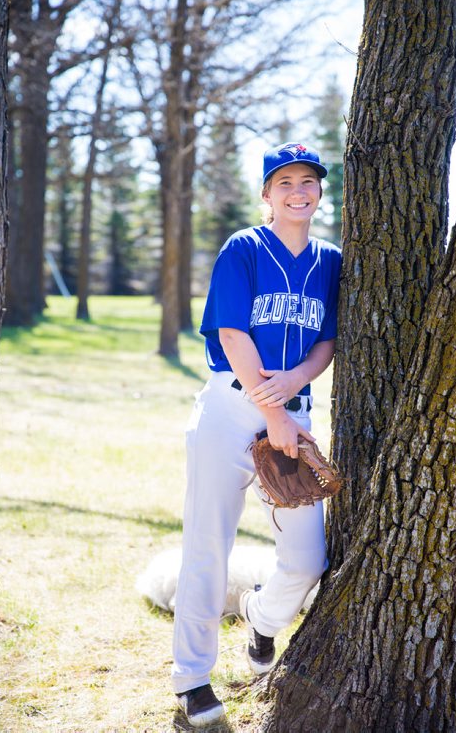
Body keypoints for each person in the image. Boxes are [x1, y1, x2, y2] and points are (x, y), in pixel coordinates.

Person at [172, 142, 342, 728]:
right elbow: (230, 332)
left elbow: (327, 342)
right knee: (208, 546)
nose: (299, 191)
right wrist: (275, 414)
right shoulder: (243, 247)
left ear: (321, 192)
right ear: (267, 194)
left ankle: (262, 618)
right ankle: (192, 679)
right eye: (285, 181)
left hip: (295, 413)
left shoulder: (331, 259)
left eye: (309, 182)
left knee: (307, 559)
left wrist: (294, 385)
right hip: (232, 407)